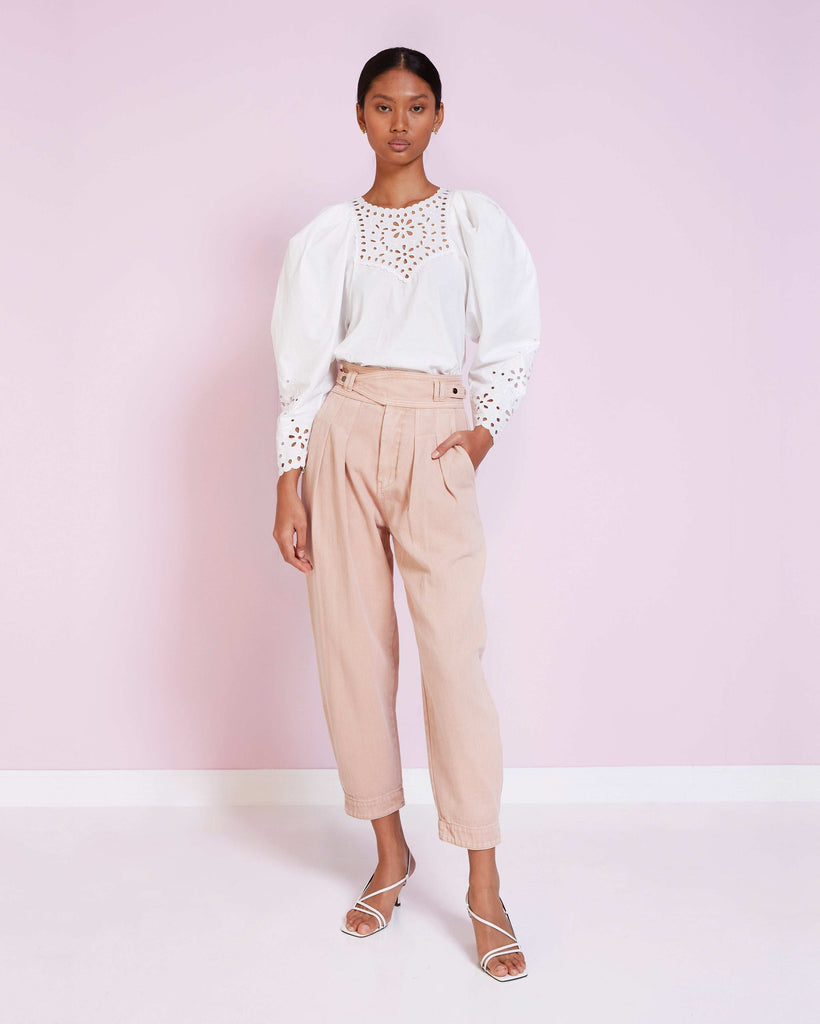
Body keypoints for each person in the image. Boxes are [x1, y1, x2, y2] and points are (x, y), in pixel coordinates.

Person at [270, 46, 540, 982]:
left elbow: (510, 338)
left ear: (438, 116)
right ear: (359, 115)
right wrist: (289, 478)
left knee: (453, 659)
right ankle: (390, 854)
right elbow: (301, 365)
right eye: (383, 106)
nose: (399, 123)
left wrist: (481, 433)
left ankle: (485, 884)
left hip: (434, 433)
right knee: (352, 651)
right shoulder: (328, 235)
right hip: (344, 427)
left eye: (416, 106)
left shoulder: (472, 222)